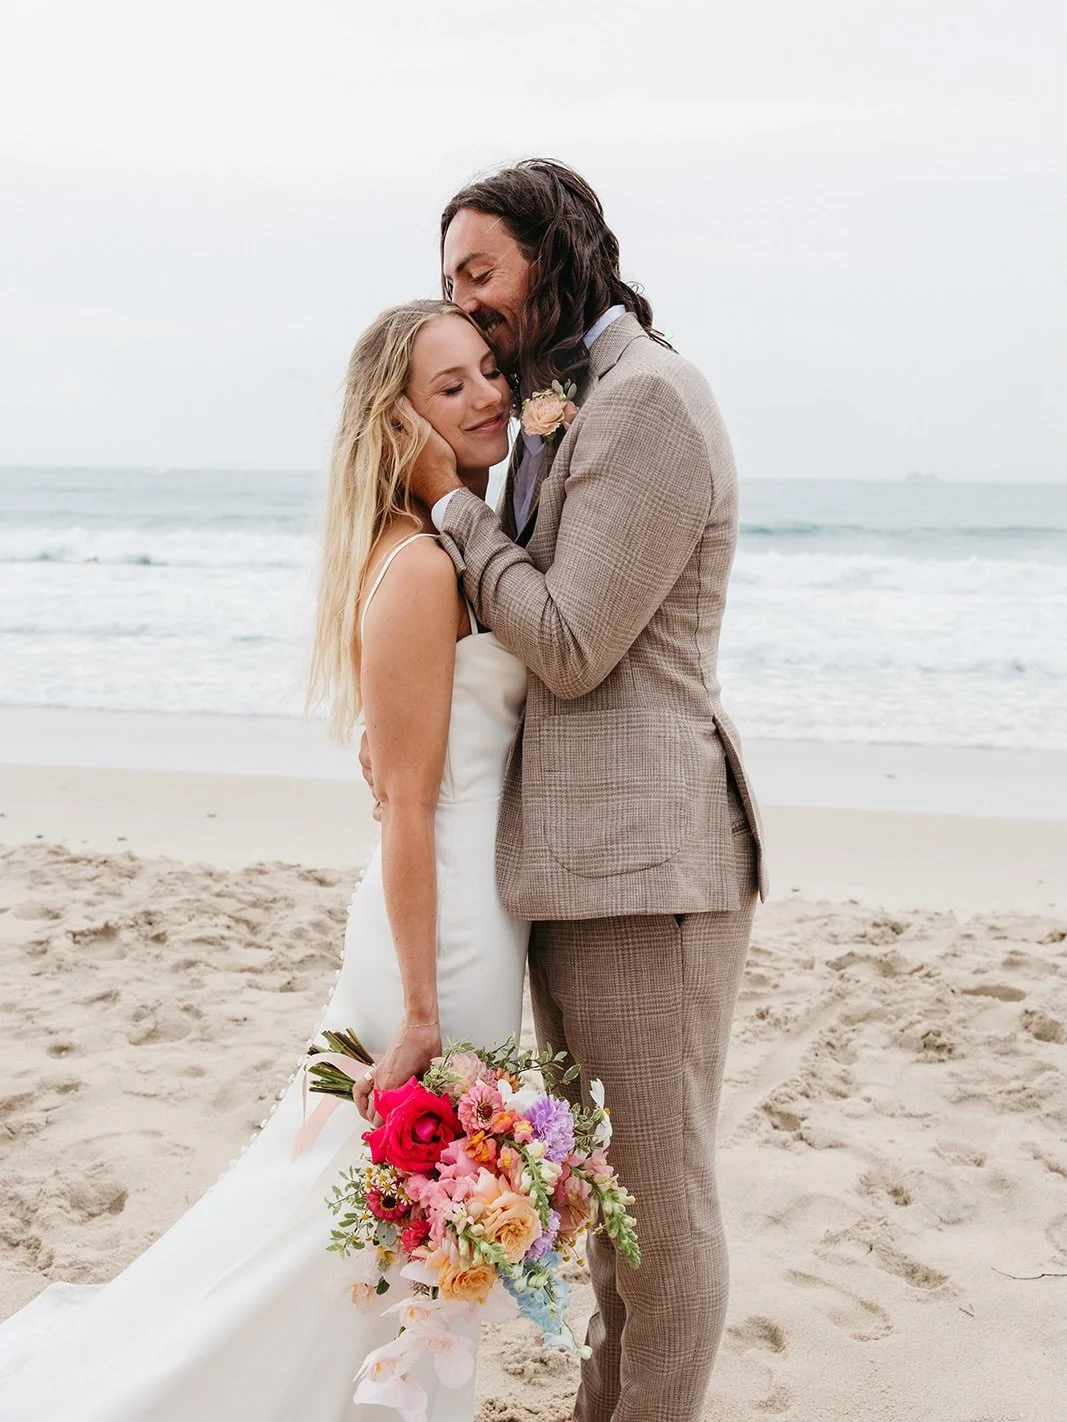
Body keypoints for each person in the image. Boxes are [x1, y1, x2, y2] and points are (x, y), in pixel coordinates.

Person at [0, 300, 530, 1421]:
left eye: (486, 368)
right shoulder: (423, 569)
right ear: (394, 427)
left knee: (371, 1207)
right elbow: (407, 811)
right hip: (437, 940)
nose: (486, 394)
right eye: (449, 387)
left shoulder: (438, 547)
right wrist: (425, 1013)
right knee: (373, 1206)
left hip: (458, 920)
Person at [393, 159, 769, 1422]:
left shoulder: (649, 401)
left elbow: (566, 639)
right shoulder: (568, 399)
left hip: (650, 862)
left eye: (478, 274)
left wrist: (450, 509)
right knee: (604, 1200)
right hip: (577, 861)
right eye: (450, 280)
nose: (464, 302)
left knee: (658, 1209)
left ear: (551, 257)